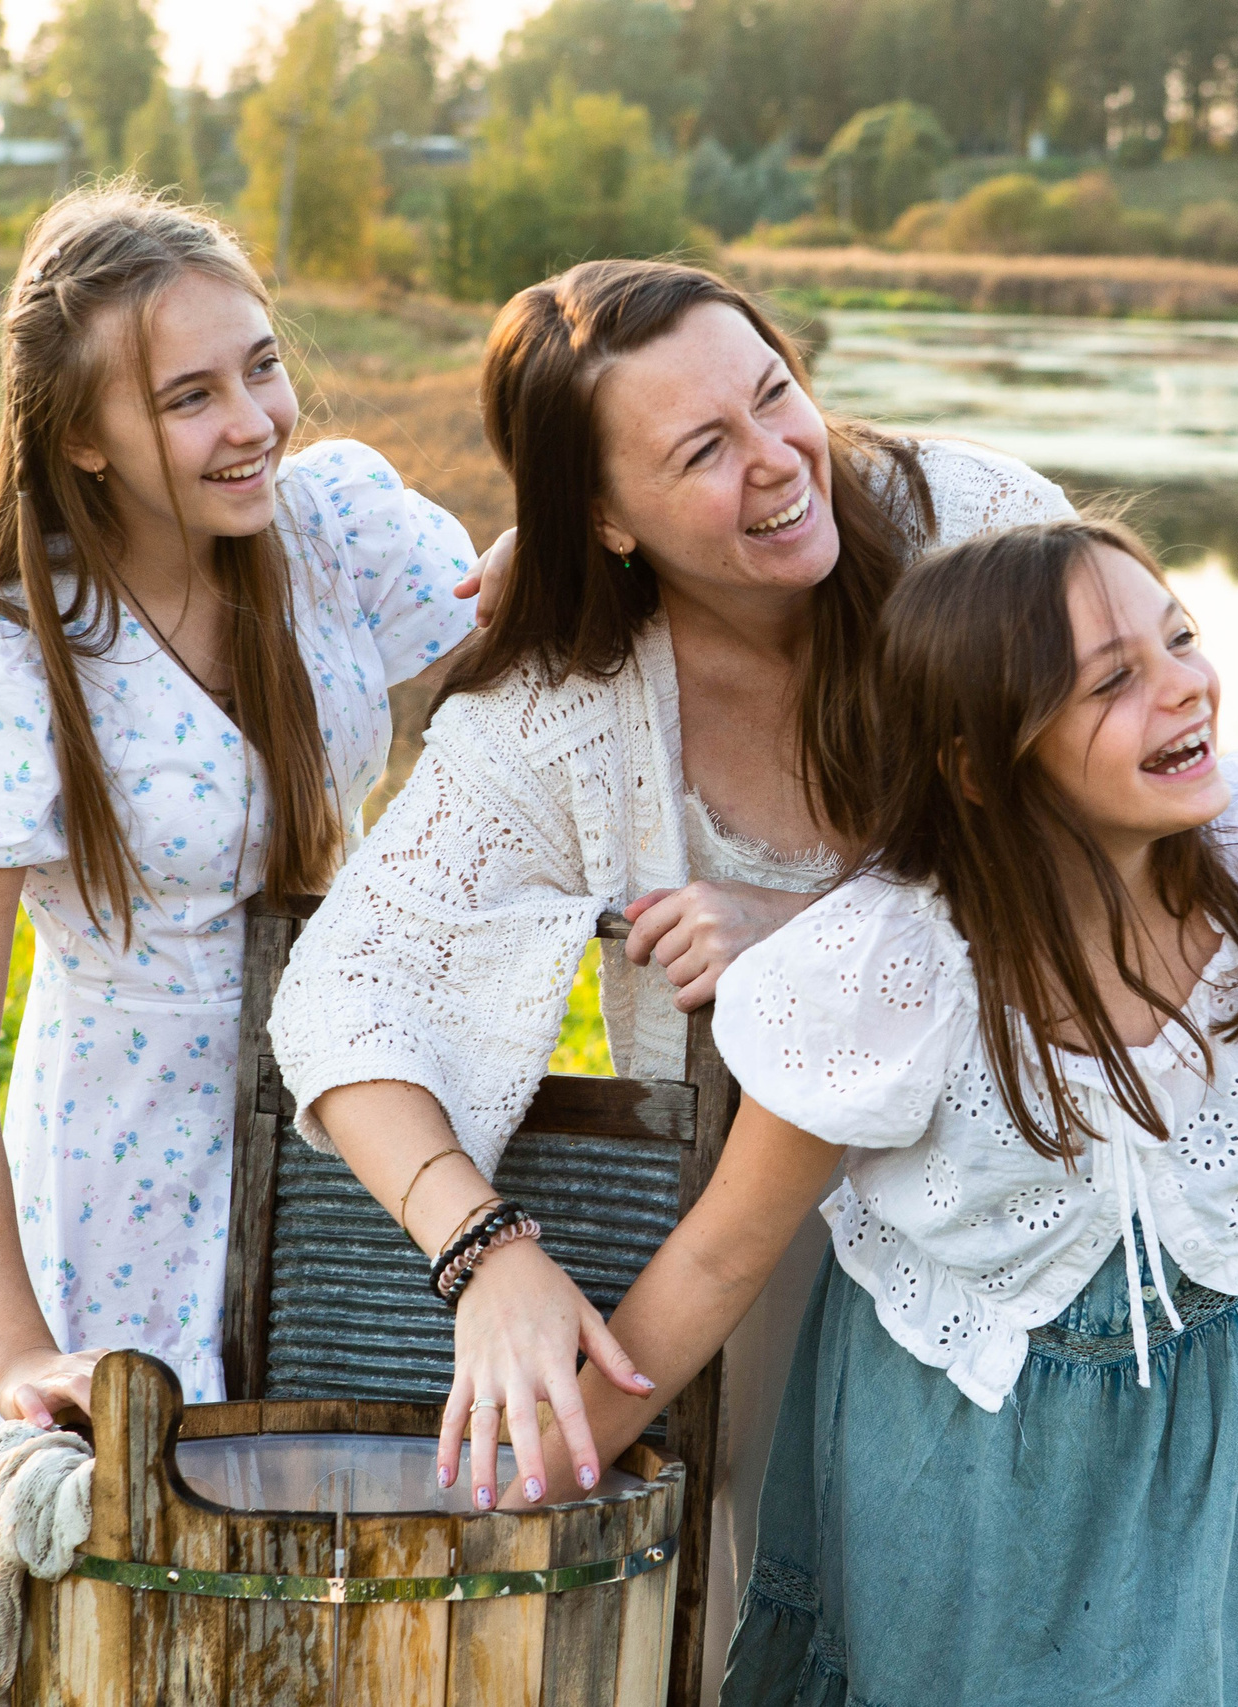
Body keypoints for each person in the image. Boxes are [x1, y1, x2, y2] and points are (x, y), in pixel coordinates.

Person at [454, 518, 1238, 1704]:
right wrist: (551, 1463)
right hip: (959, 1455)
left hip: (1199, 1416)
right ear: (985, 765)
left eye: (1178, 636)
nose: (1184, 685)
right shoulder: (897, 972)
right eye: (1113, 681)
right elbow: (726, 1253)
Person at [267, 258, 1078, 1677]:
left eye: (775, 396)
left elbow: (1143, 858)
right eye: (702, 452)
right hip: (756, 1262)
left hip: (1047, 1218)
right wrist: (483, 1250)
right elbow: (343, 994)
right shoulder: (563, 712)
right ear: (601, 515)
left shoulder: (982, 529)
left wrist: (810, 931)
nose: (776, 463)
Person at [0, 186, 476, 1430]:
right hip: (124, 1155)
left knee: (347, 1517)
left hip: (352, 1102)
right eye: (190, 398)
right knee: (140, 1558)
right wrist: (15, 1348)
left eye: (261, 368)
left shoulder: (334, 526)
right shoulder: (6, 657)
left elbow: (538, 642)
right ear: (84, 437)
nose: (254, 424)